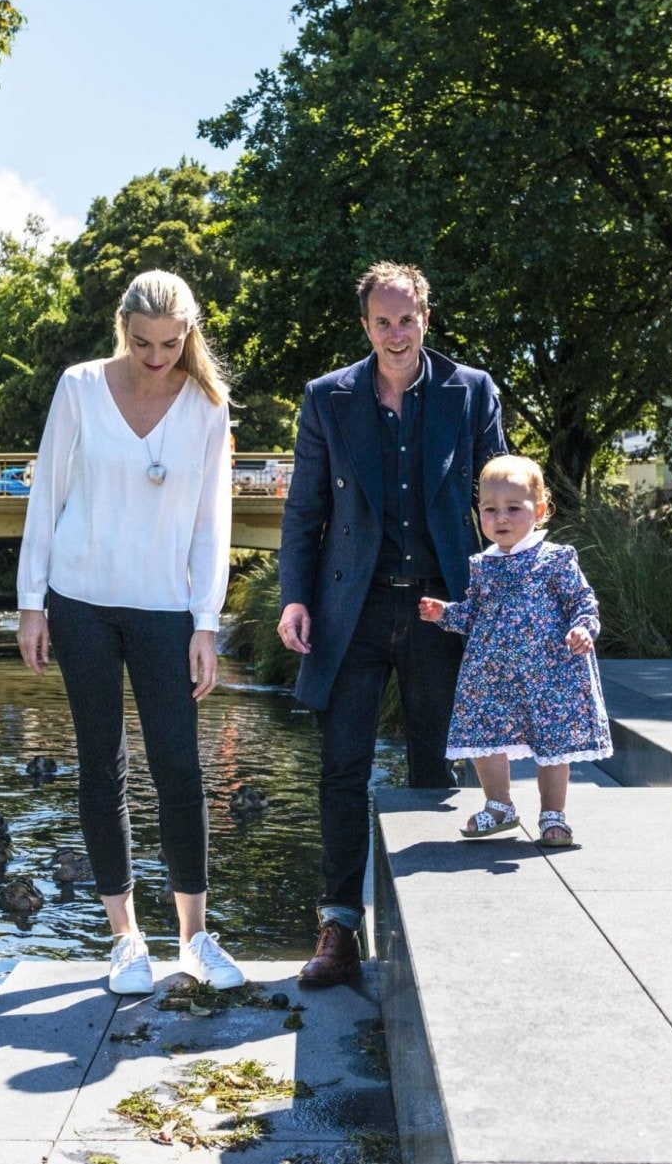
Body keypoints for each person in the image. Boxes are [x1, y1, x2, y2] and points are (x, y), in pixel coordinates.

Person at [276, 261, 507, 988]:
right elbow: (303, 510)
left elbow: (502, 495)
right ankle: (339, 927)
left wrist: (513, 591)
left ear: (426, 319)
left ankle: (433, 932)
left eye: (407, 320)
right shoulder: (327, 399)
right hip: (354, 605)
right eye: (383, 322)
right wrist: (293, 597)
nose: (397, 334)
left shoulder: (471, 393)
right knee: (342, 766)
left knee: (436, 769)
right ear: (367, 325)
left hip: (443, 603)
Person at [15, 269, 245, 997]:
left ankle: (195, 936)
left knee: (180, 767)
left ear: (189, 335)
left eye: (172, 344)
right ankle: (125, 939)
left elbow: (213, 522)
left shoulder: (208, 405)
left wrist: (206, 621)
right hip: (79, 600)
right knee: (101, 765)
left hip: (165, 608)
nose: (157, 357)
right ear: (124, 329)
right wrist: (31, 602)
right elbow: (46, 491)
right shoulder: (80, 387)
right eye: (144, 342)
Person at [418, 455, 611, 844]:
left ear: (539, 511)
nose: (501, 518)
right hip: (491, 675)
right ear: (479, 514)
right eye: (490, 510)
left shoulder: (557, 559)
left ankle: (553, 815)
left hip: (548, 674)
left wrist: (583, 628)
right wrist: (445, 613)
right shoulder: (482, 565)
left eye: (513, 508)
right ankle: (499, 805)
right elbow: (475, 615)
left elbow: (582, 602)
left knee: (551, 745)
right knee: (485, 736)